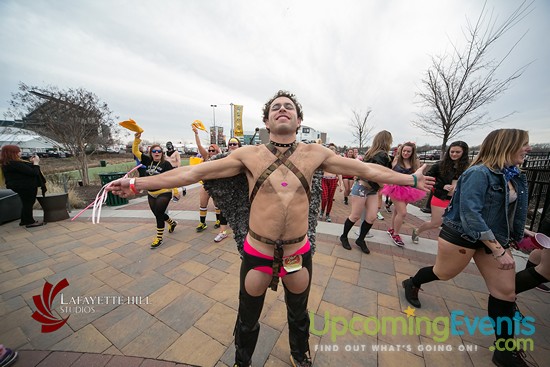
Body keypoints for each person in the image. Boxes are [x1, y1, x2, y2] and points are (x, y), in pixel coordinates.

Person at [108, 90, 434, 367]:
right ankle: (242, 360)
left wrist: (411, 179)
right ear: (266, 122)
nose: (282, 109)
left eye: (288, 106)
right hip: (258, 250)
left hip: (297, 251)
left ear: (298, 120)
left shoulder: (315, 153)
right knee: (248, 315)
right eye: (275, 106)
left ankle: (298, 354)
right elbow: (191, 175)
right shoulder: (247, 154)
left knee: (299, 311)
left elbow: (364, 168)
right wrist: (138, 183)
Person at [402, 129, 531, 367]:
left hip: (493, 238)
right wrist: (498, 250)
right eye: (524, 144)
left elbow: (505, 210)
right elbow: (470, 213)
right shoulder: (478, 173)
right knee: (443, 273)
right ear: (507, 145)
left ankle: (504, 349)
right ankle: (413, 282)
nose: (528, 149)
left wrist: (521, 233)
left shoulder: (514, 175)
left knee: (506, 292)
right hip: (463, 235)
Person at [340, 130, 393, 254]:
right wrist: (384, 186)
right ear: (387, 141)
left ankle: (360, 239)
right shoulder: (379, 155)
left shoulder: (375, 153)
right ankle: (344, 237)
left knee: (372, 216)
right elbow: (375, 175)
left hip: (372, 190)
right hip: (362, 188)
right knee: (355, 215)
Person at [411, 141, 469, 244]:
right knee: (436, 223)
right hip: (441, 197)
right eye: (452, 151)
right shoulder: (440, 165)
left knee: (454, 225)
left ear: (464, 153)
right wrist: (442, 186)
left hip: (458, 200)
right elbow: (428, 178)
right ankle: (417, 231)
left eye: (458, 152)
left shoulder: (468, 167)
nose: (454, 154)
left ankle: (448, 245)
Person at [132, 133, 177, 248]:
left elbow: (174, 177)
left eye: (159, 151)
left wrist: (175, 190)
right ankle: (172, 223)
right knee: (158, 214)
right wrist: (137, 139)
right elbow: (135, 151)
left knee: (159, 215)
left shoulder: (166, 164)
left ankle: (159, 238)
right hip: (151, 193)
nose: (157, 153)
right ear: (151, 153)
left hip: (164, 192)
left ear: (162, 153)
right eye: (154, 151)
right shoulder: (147, 161)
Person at [382, 142, 425, 247]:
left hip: (408, 189)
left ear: (412, 152)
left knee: (397, 211)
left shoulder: (415, 162)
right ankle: (396, 234)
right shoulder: (396, 160)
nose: (405, 153)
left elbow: (417, 176)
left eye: (408, 151)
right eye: (404, 151)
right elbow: (390, 173)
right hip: (395, 188)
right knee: (403, 213)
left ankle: (392, 229)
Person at [0, 145, 46, 228]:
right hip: (26, 186)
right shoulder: (14, 163)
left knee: (26, 203)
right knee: (28, 203)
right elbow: (33, 172)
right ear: (13, 153)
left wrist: (31, 162)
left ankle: (24, 220)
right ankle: (29, 221)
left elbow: (25, 170)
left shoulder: (7, 163)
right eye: (19, 151)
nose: (20, 153)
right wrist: (36, 163)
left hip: (20, 186)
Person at [192, 125, 223, 232]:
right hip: (205, 184)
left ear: (217, 151)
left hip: (216, 185)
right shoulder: (206, 157)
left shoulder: (221, 159)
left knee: (217, 204)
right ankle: (202, 223)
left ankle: (218, 221)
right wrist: (196, 134)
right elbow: (199, 145)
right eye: (209, 150)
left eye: (213, 150)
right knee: (202, 203)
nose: (210, 152)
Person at [213, 137, 242, 243]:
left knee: (243, 211)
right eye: (231, 144)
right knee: (223, 210)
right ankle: (223, 232)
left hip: (241, 188)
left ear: (239, 145)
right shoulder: (223, 157)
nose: (233, 146)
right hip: (227, 187)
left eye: (235, 144)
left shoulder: (245, 156)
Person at [319, 143, 343, 222]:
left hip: (333, 180)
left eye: (333, 150)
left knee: (330, 199)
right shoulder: (323, 160)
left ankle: (328, 214)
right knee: (324, 198)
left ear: (335, 152)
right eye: (330, 150)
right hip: (324, 179)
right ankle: (322, 210)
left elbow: (339, 173)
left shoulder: (337, 161)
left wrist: (341, 184)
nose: (331, 151)